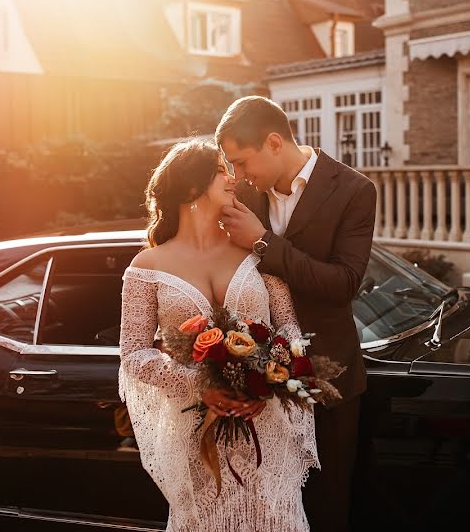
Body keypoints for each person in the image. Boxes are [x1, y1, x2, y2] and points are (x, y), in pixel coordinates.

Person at [118, 139, 318, 532]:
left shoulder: (254, 252)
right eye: (221, 170)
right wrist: (198, 383)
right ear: (193, 188)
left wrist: (267, 383)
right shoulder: (146, 266)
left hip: (265, 427)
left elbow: (289, 327)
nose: (233, 179)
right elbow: (134, 353)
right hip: (195, 432)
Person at [217, 96, 376, 532]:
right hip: (251, 380)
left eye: (242, 162)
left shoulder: (355, 190)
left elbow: (343, 283)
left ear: (273, 142)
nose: (238, 175)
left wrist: (263, 241)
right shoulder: (244, 192)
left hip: (328, 380)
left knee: (326, 509)